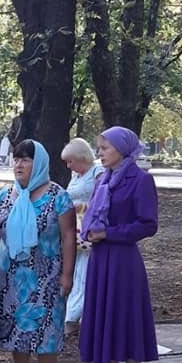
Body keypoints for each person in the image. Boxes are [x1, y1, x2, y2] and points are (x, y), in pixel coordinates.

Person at [78, 126, 159, 363]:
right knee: (106, 321)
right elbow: (93, 215)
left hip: (124, 262)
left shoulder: (141, 180)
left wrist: (108, 233)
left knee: (127, 321)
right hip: (100, 259)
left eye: (105, 148)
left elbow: (148, 224)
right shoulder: (103, 179)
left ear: (122, 150)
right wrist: (89, 231)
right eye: (99, 147)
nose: (99, 153)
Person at [0, 139, 77, 363]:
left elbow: (68, 237)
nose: (19, 165)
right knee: (16, 329)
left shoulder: (57, 196)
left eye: (25, 160)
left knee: (47, 329)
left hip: (47, 274)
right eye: (16, 159)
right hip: (11, 275)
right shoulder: (5, 195)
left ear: (39, 163)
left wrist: (67, 275)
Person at [60, 138, 104, 334]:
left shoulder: (97, 172)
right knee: (76, 270)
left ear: (81, 157)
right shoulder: (75, 177)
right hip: (75, 229)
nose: (69, 166)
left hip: (90, 228)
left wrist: (83, 208)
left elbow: (102, 199)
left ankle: (73, 316)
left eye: (71, 161)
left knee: (85, 273)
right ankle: (74, 314)